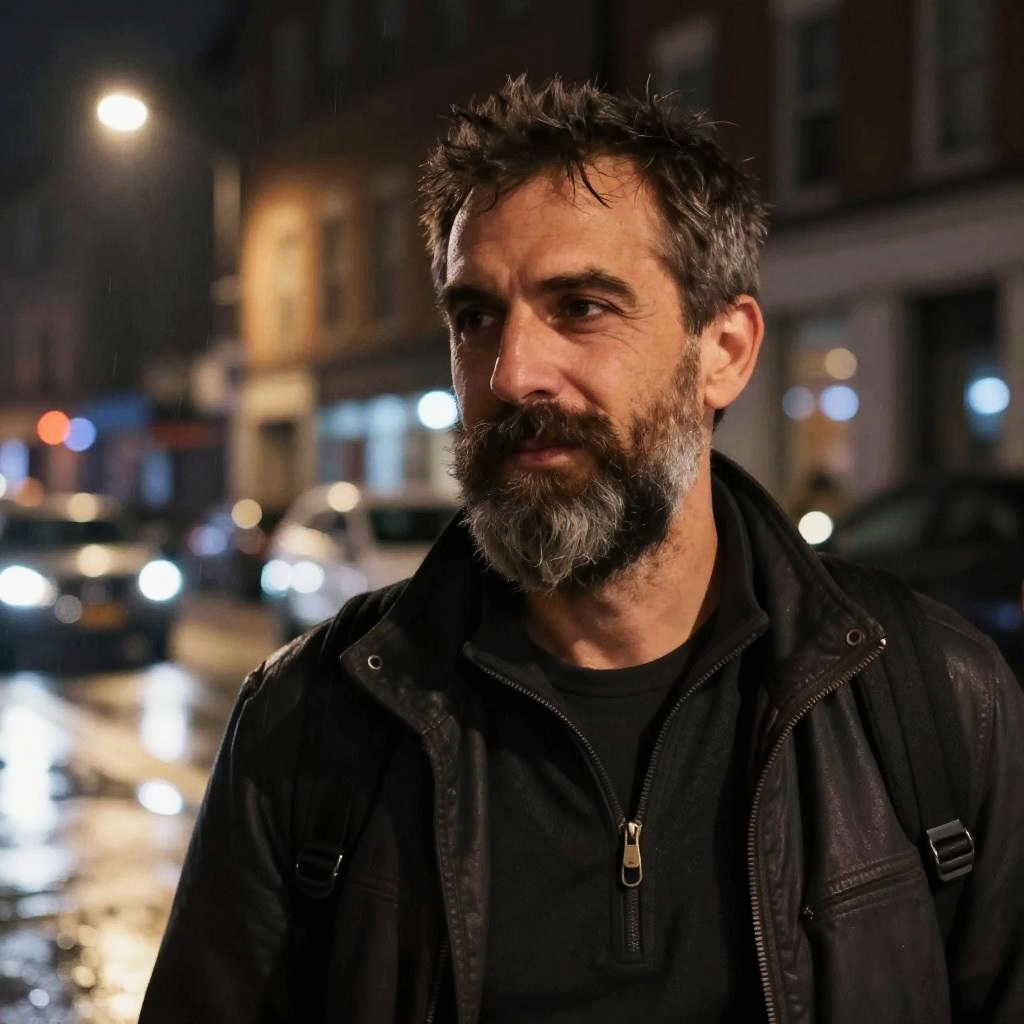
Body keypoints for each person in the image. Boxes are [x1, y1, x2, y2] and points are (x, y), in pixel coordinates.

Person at [139, 77, 1024, 1023]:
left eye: (584, 306)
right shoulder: (309, 723)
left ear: (722, 348)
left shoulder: (936, 701)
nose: (513, 372)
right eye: (475, 315)